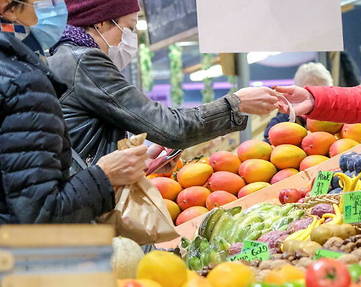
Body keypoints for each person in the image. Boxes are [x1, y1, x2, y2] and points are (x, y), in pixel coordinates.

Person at [47, 0, 280, 169]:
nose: (128, 38)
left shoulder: (63, 57)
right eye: (127, 28)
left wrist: (137, 161)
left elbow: (84, 133)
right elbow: (169, 127)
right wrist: (236, 104)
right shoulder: (85, 61)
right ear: (101, 23)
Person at [0, 0, 146, 223]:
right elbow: (40, 213)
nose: (53, 4)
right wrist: (105, 175)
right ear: (8, 8)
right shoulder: (22, 82)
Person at [263, 62, 333, 142]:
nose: (318, 103)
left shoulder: (336, 119)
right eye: (313, 97)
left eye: (324, 97)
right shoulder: (281, 123)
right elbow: (269, 145)